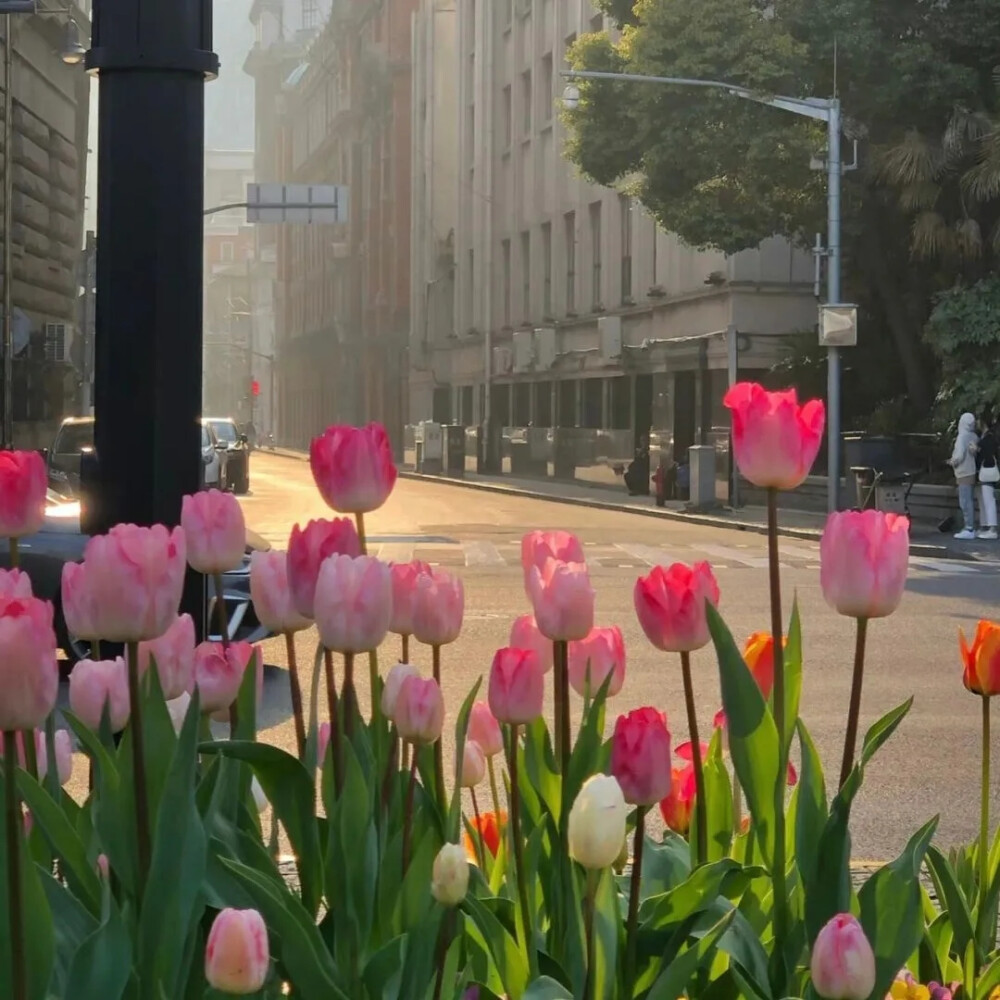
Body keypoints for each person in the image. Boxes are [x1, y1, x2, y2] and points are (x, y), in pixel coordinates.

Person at [948, 412, 979, 539]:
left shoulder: (962, 437)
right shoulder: (974, 436)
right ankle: (970, 527)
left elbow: (959, 455)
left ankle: (969, 528)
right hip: (972, 471)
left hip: (963, 472)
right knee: (969, 500)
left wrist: (952, 461)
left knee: (965, 501)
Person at [978, 413, 999, 540]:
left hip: (988, 470)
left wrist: (977, 449)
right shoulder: (991, 437)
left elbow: (987, 454)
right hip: (990, 470)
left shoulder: (987, 438)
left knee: (989, 500)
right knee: (988, 500)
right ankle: (990, 527)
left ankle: (992, 528)